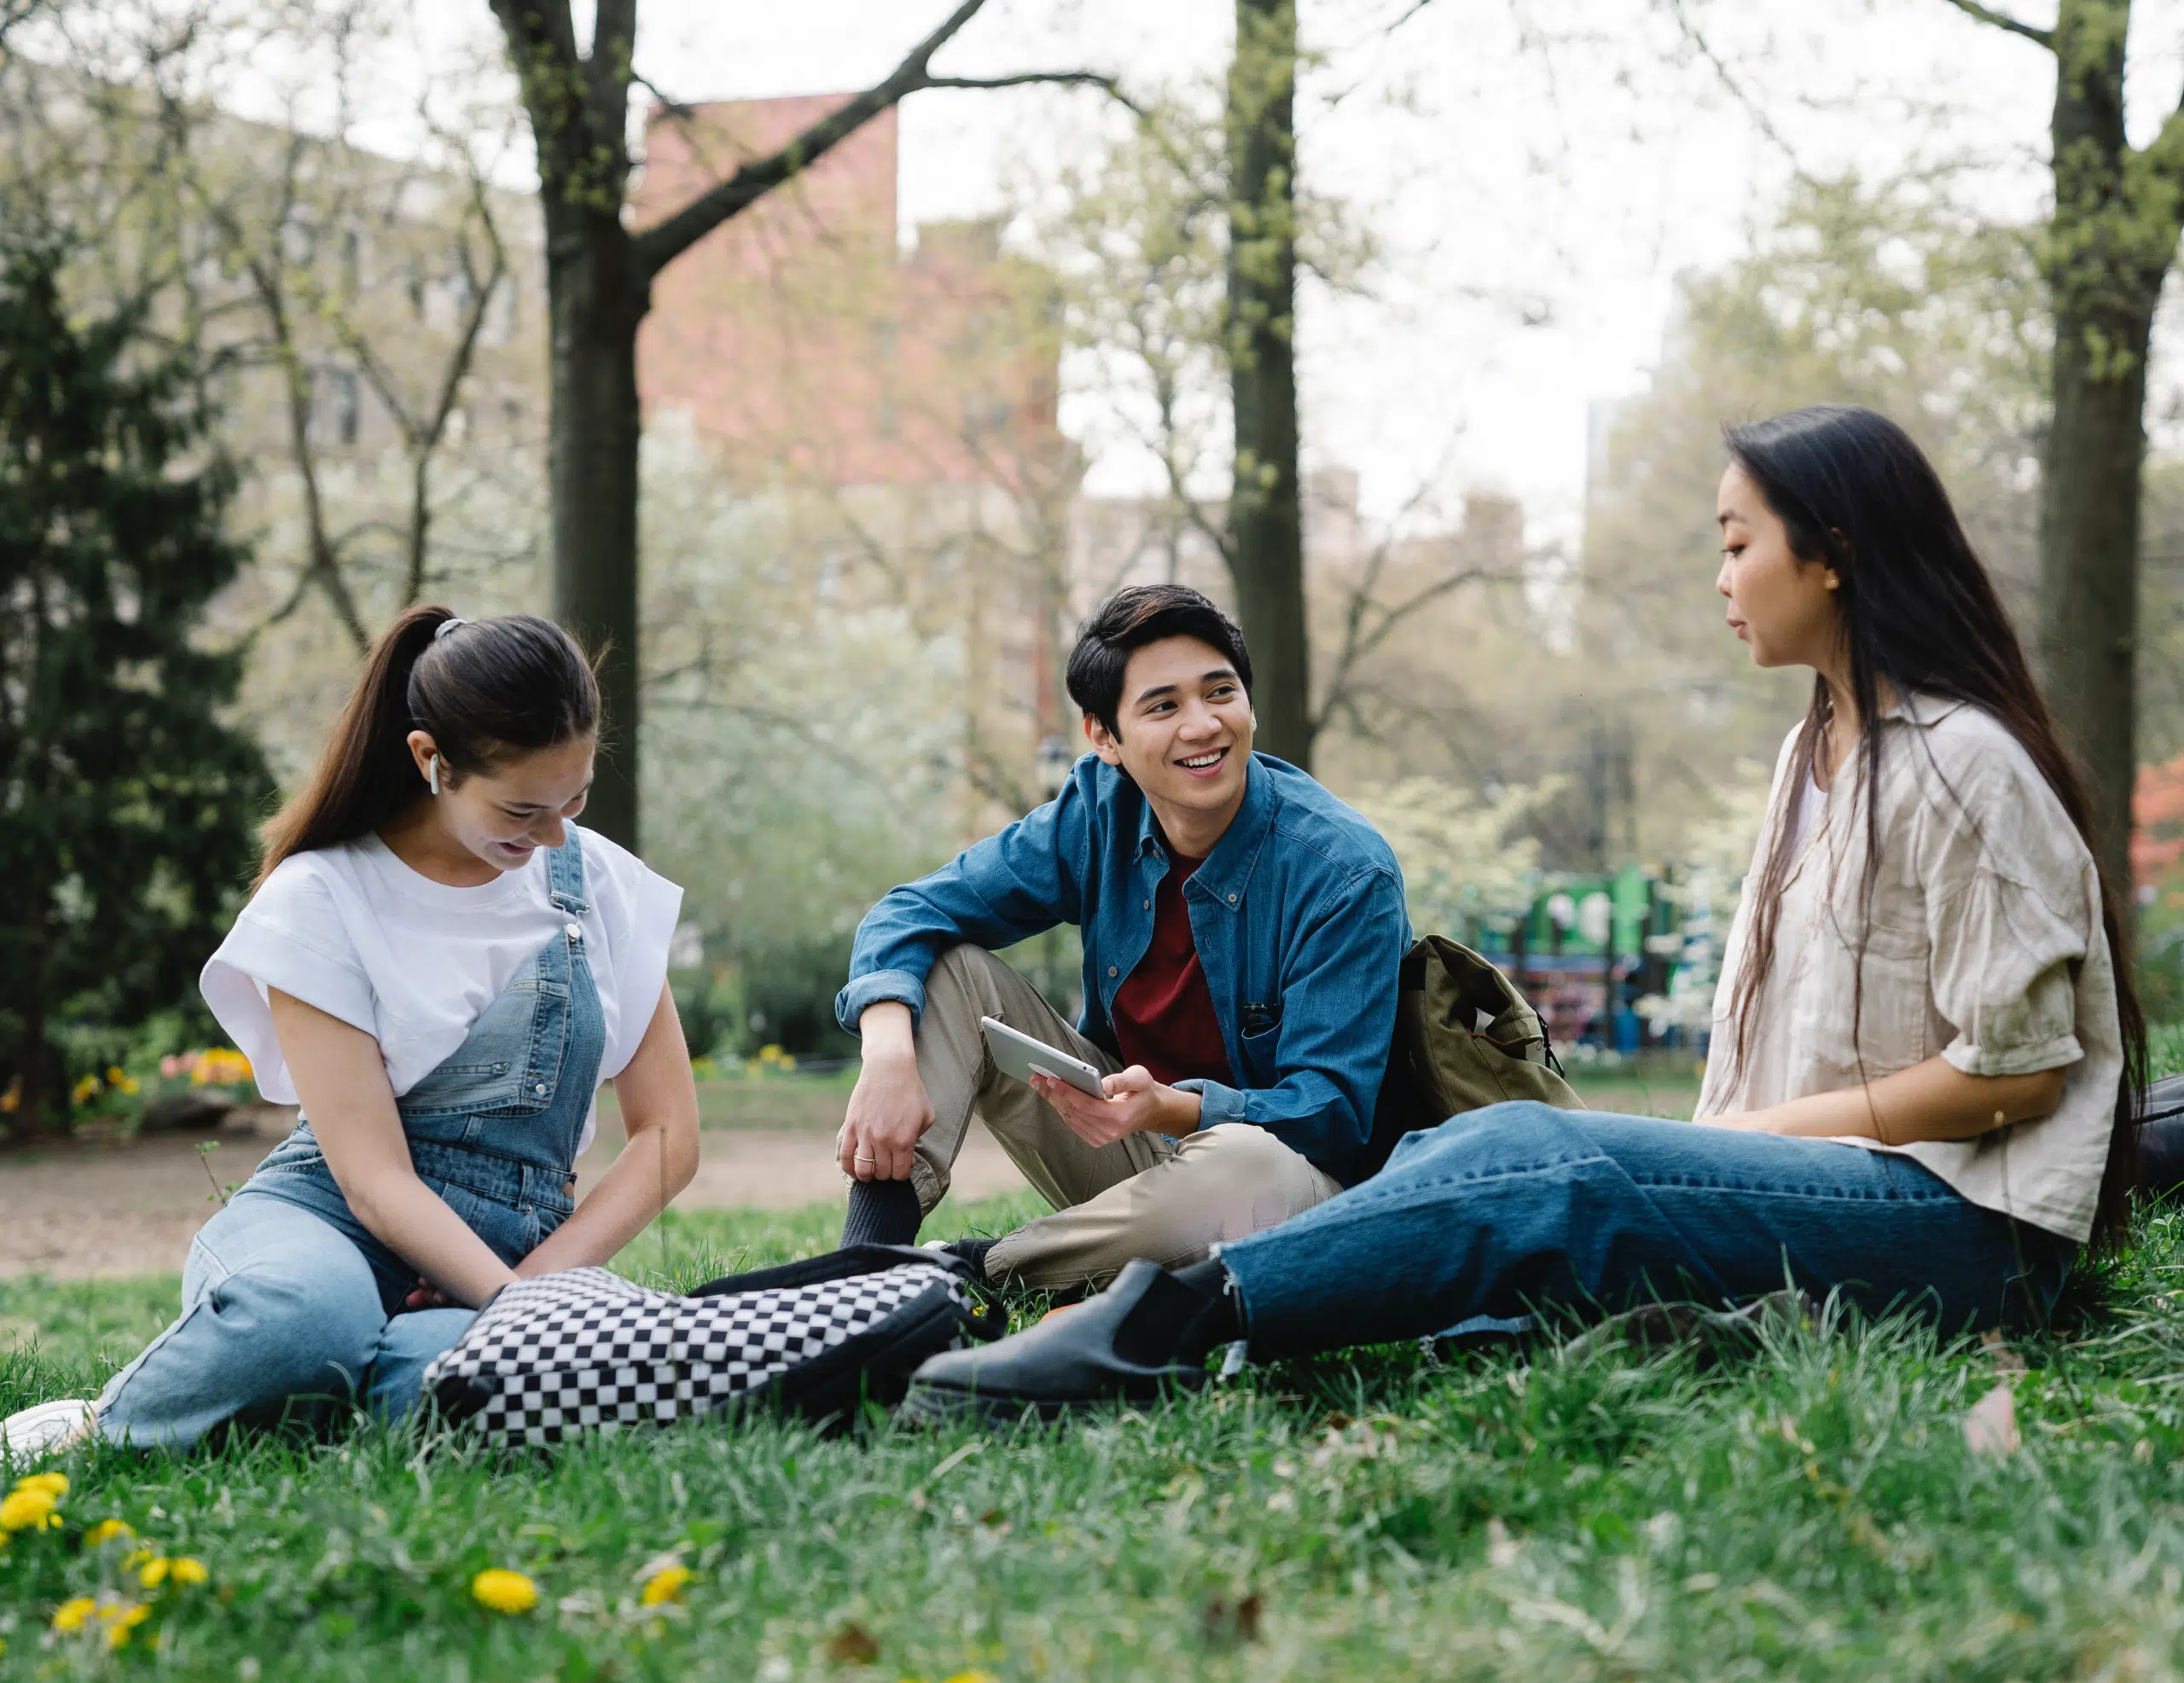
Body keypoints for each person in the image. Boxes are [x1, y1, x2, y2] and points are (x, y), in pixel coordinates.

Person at [900, 403, 2146, 1420]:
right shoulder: (1812, 756)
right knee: (1458, 1159)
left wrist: (1767, 1133)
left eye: (1735, 542)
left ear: (1832, 554)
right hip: (1819, 1179)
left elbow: (2018, 1078)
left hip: (1962, 1228)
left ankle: (1163, 1327)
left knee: (1540, 1158)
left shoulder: (1963, 763)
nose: (1721, 575)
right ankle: (1127, 1303)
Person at [3, 608, 698, 1456]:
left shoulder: (601, 884)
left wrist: (532, 1291)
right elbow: (372, 1179)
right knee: (309, 1316)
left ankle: (314, 1398)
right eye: (521, 807)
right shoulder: (323, 896)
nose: (556, 831)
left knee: (463, 1378)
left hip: (518, 1253)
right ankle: (96, 1427)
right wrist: (514, 1307)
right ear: (428, 759)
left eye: (576, 796)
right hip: (329, 1227)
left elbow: (668, 1134)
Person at [833, 584, 1410, 1290]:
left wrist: (1174, 1104)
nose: (1202, 726)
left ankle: (974, 1270)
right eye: (1163, 706)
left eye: (1220, 692)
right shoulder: (1100, 810)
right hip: (1129, 1153)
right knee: (948, 967)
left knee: (1245, 1165)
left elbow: (1332, 1115)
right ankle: (858, 1272)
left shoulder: (1344, 872)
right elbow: (909, 912)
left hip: (1287, 1189)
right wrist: (886, 1056)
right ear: (1105, 738)